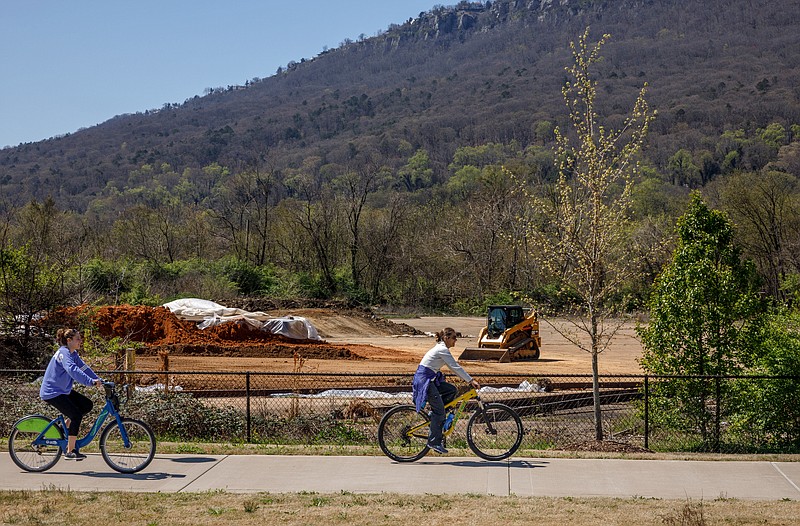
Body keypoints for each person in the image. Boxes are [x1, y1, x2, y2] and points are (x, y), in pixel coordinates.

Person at [412, 327, 480, 454]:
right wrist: (471, 380)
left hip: (430, 378)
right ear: (446, 338)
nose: (456, 340)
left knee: (451, 390)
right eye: (454, 337)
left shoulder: (441, 348)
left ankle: (435, 414)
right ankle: (433, 442)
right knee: (440, 412)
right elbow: (455, 367)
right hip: (425, 381)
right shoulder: (442, 349)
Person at [39, 328, 103, 460]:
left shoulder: (73, 354)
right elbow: (72, 370)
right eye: (77, 339)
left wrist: (99, 380)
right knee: (76, 415)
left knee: (87, 405)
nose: (80, 341)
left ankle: (64, 428)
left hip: (62, 391)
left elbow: (84, 368)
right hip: (52, 392)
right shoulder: (64, 353)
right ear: (69, 340)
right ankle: (70, 450)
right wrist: (90, 382)